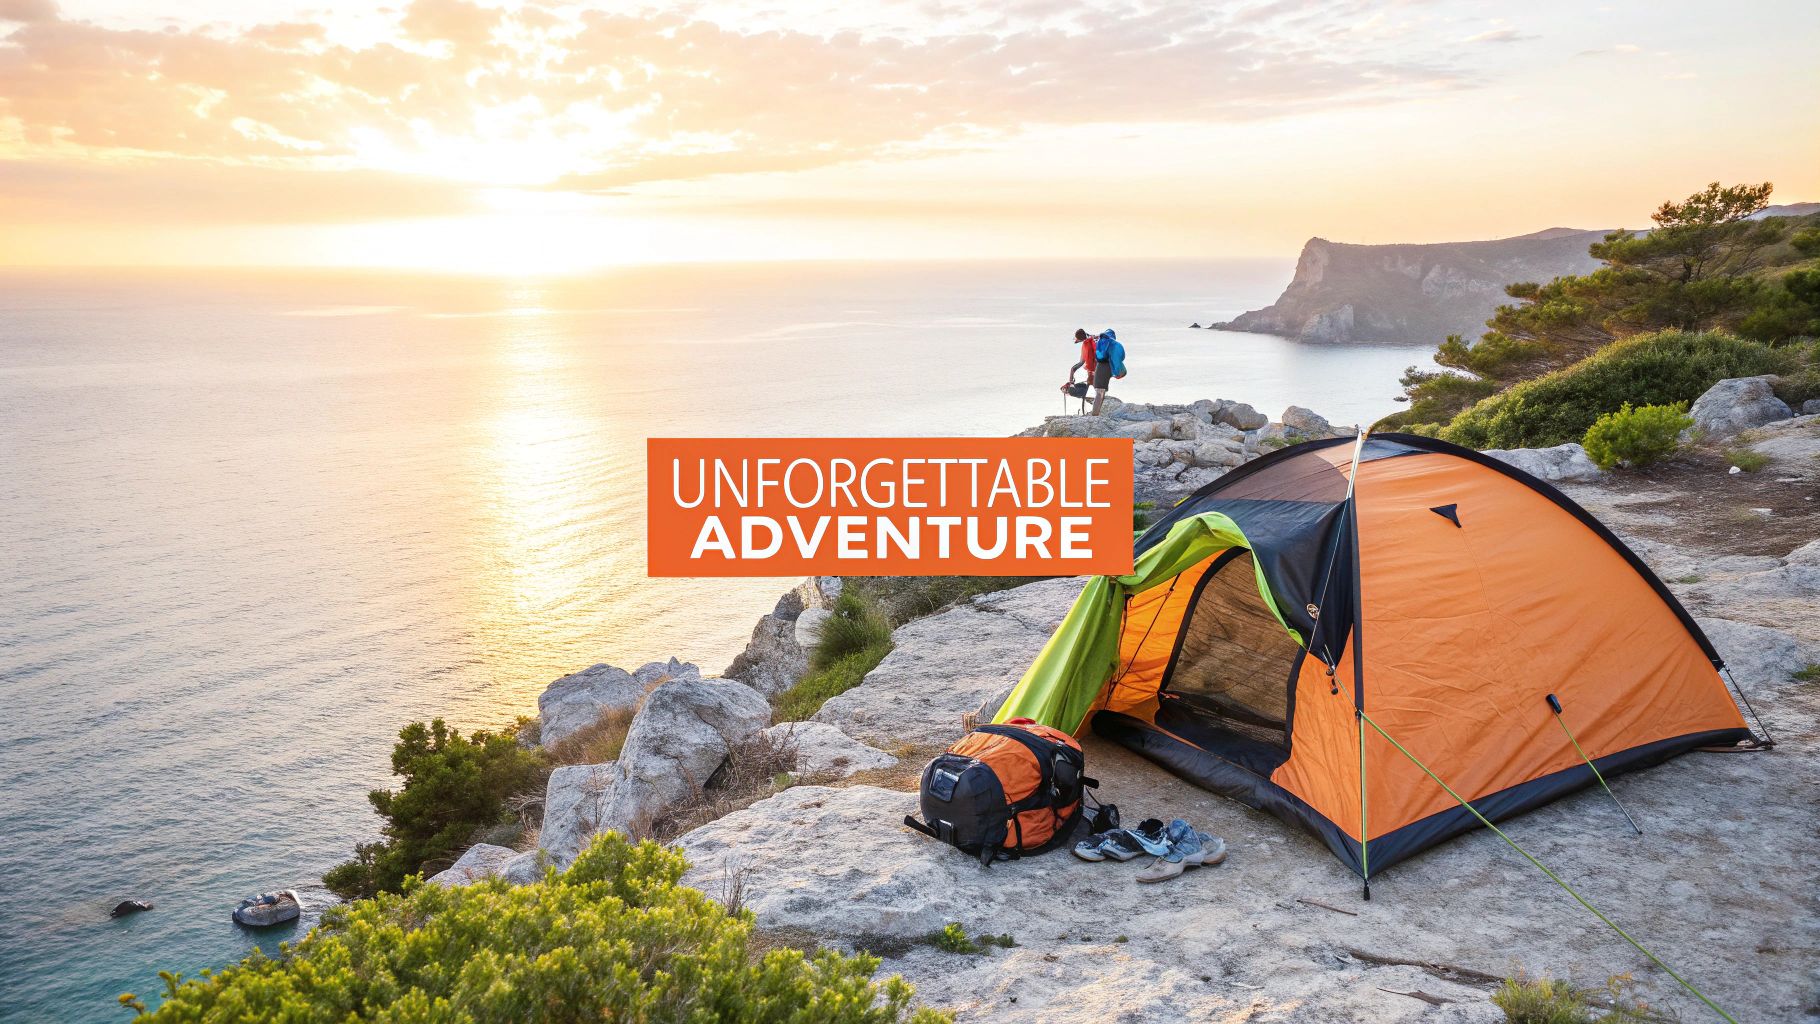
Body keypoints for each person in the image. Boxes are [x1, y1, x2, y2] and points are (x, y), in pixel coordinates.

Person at [1063, 328, 1111, 415]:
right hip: (1103, 369)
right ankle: (1096, 411)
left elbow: (1081, 362)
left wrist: (1071, 375)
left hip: (1094, 372)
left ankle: (1094, 414)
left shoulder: (1087, 344)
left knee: (1093, 391)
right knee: (1099, 391)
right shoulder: (1094, 339)